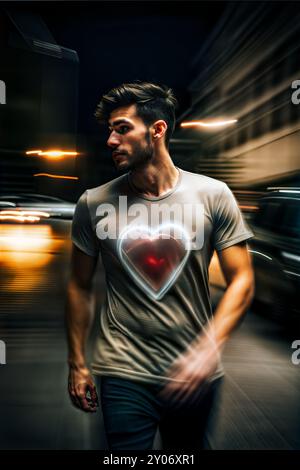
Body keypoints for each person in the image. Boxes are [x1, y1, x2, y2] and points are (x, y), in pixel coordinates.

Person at [66, 81, 255, 451]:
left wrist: (207, 350)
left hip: (194, 375)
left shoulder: (213, 195)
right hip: (123, 370)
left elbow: (243, 280)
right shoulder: (94, 203)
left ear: (157, 130)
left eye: (122, 128)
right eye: (110, 130)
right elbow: (78, 285)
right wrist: (78, 363)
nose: (110, 140)